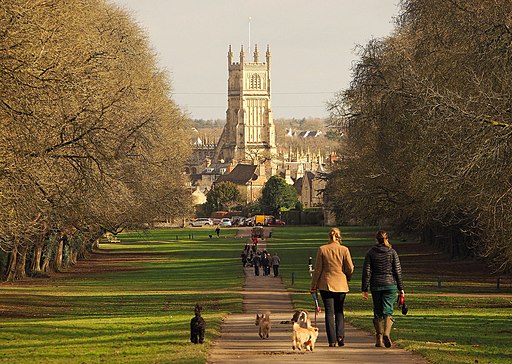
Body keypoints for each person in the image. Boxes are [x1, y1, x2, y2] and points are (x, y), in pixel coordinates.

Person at [310, 227, 354, 347]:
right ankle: (340, 336)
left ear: (329, 236)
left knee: (329, 312)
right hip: (341, 283)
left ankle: (332, 340)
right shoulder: (344, 250)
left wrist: (313, 285)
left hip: (326, 284)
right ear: (339, 237)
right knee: (339, 311)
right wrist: (346, 276)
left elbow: (318, 269)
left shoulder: (323, 249)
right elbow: (350, 267)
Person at [362, 230, 404, 348]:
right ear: (387, 238)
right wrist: (401, 288)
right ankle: (387, 333)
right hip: (390, 284)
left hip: (376, 285)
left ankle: (379, 338)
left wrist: (364, 288)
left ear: (376, 239)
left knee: (377, 310)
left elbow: (367, 271)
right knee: (388, 310)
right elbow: (397, 271)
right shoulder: (392, 252)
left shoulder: (371, 253)